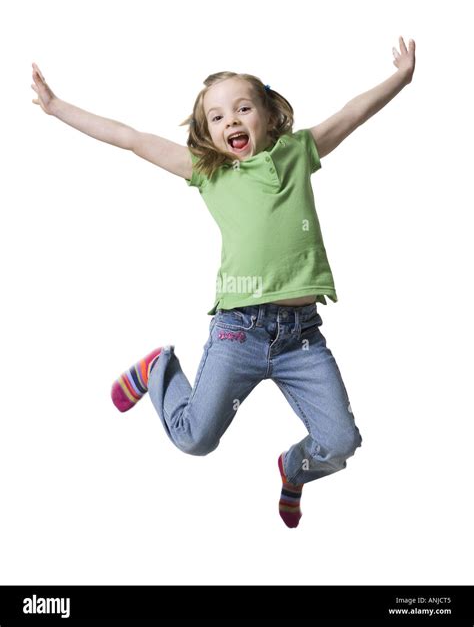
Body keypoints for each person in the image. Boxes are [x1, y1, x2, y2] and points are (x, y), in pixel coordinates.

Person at [31, 36, 416, 528]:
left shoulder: (299, 153)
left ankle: (293, 469)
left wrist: (401, 77)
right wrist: (57, 107)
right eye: (217, 117)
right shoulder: (209, 174)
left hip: (301, 338)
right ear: (207, 135)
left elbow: (352, 113)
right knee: (194, 438)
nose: (231, 120)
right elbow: (130, 137)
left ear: (270, 115)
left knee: (342, 443)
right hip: (240, 332)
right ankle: (158, 371)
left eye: (242, 108)